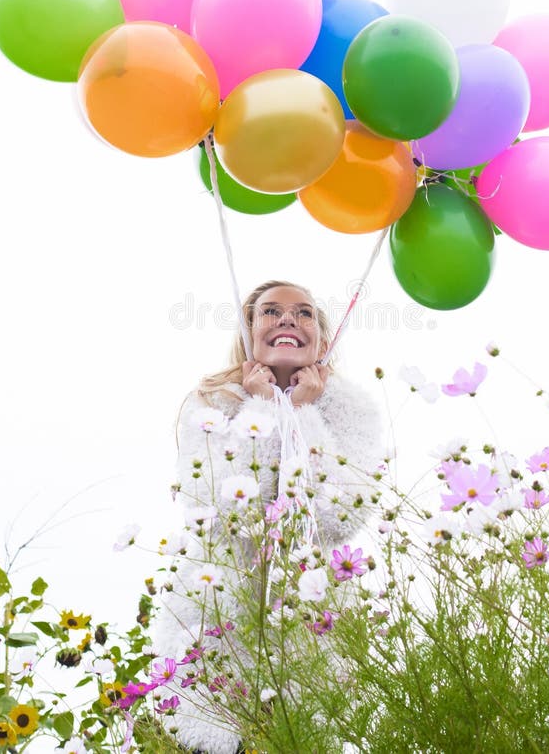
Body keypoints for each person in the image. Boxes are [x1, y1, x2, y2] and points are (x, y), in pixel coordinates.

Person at [154, 280, 384, 754]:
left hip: (310, 625)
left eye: (303, 313)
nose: (287, 320)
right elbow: (216, 511)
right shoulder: (211, 404)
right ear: (249, 330)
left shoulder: (352, 409)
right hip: (218, 616)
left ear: (321, 337)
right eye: (270, 312)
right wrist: (262, 408)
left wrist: (298, 412)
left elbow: (337, 517)